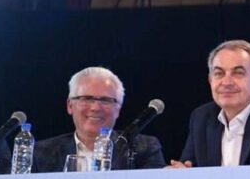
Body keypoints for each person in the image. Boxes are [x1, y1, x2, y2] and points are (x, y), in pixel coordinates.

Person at [170, 39, 250, 167]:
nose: (227, 82)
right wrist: (179, 172)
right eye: (219, 73)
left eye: (238, 73)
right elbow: (189, 166)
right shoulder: (201, 117)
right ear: (210, 81)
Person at [32, 67, 165, 172]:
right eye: (87, 98)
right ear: (70, 106)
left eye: (105, 100)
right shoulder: (41, 153)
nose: (95, 108)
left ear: (118, 109)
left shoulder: (144, 148)